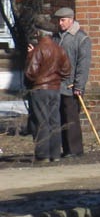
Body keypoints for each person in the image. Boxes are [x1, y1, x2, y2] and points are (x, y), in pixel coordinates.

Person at [24, 19, 71, 164]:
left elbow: (30, 73)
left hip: (40, 90)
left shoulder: (38, 50)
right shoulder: (59, 49)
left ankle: (43, 154)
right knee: (54, 121)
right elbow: (66, 70)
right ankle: (55, 154)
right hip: (55, 89)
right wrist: (56, 79)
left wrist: (30, 56)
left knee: (41, 122)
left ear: (39, 33)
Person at [54, 6, 91, 158]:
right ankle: (66, 149)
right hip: (57, 85)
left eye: (63, 20)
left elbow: (83, 64)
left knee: (71, 118)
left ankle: (75, 150)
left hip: (71, 86)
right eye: (59, 20)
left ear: (71, 20)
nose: (60, 23)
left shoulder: (81, 38)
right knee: (61, 117)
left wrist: (79, 85)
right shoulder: (56, 37)